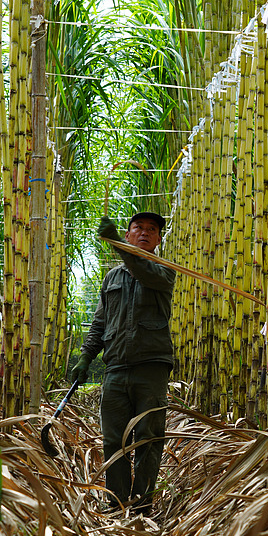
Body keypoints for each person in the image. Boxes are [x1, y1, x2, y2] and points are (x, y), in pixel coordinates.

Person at [70, 211, 175, 515]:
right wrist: (86, 356)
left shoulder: (164, 269)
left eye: (151, 229)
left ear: (157, 239)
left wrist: (116, 244)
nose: (144, 232)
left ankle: (142, 506)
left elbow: (144, 272)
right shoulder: (112, 279)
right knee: (113, 440)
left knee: (148, 439)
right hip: (115, 368)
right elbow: (100, 322)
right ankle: (117, 505)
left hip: (151, 367)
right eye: (137, 228)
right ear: (129, 234)